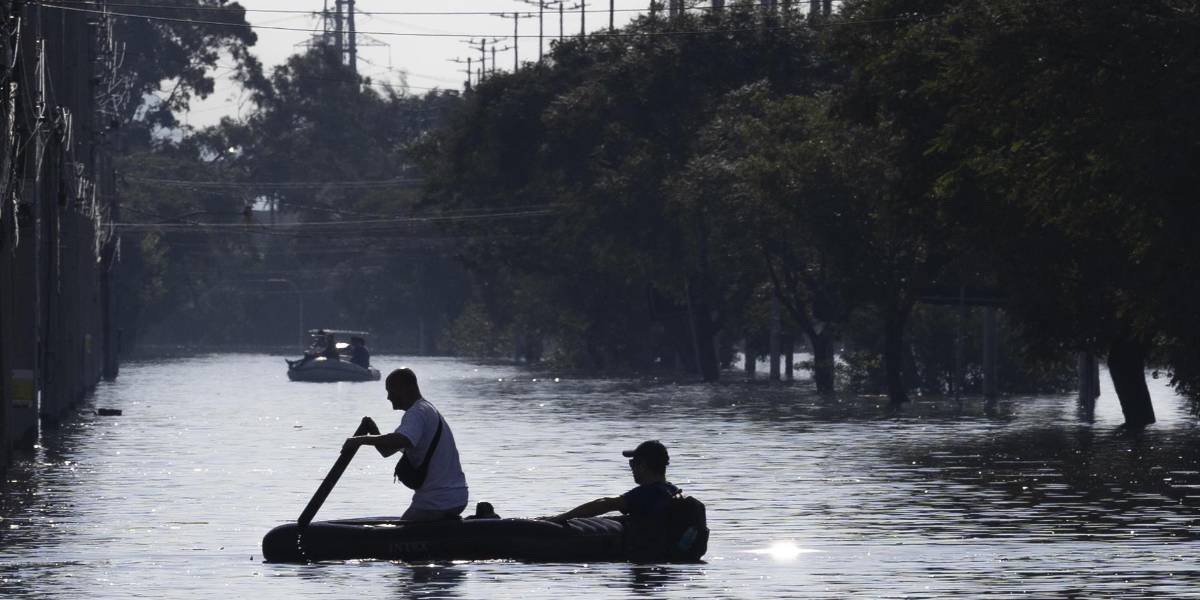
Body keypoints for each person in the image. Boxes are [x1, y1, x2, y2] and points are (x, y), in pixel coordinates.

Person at [342, 368, 469, 521]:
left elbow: (402, 440)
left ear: (406, 388)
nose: (388, 397)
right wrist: (373, 431)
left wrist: (360, 440)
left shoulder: (417, 412)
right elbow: (386, 451)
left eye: (391, 390)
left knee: (402, 528)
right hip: (457, 497)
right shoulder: (427, 410)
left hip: (436, 500)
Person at [543, 440, 678, 524]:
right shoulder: (672, 491)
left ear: (642, 465)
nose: (631, 468)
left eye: (632, 463)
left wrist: (560, 518)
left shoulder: (647, 493)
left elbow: (606, 504)